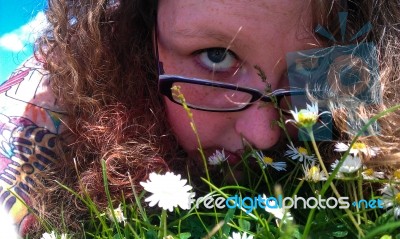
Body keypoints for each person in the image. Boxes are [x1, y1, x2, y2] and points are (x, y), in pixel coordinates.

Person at [0, 0, 399, 237]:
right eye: (217, 56)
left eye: (314, 63)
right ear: (141, 42)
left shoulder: (375, 88)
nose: (264, 134)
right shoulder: (48, 111)